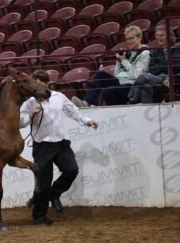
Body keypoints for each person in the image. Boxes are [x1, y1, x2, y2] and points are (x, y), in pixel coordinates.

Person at [20, 70, 99, 224]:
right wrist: (29, 116)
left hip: (61, 143)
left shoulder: (59, 97)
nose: (37, 89)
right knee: (43, 182)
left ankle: (54, 193)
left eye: (39, 85)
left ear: (46, 83)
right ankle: (39, 216)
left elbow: (73, 111)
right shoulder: (30, 102)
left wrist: (86, 120)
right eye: (34, 85)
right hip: (42, 146)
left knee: (71, 170)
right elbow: (18, 121)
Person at [72, 25, 150, 106]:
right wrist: (119, 61)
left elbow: (137, 75)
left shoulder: (145, 54)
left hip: (133, 86)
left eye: (131, 38)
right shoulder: (127, 53)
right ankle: (86, 103)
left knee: (108, 91)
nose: (129, 41)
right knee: (100, 74)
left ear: (139, 38)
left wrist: (124, 61)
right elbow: (116, 74)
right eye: (127, 39)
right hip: (121, 83)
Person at [128, 25, 180, 104]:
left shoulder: (177, 48)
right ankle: (147, 112)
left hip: (171, 79)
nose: (159, 38)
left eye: (162, 35)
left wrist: (160, 66)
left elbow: (175, 65)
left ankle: (132, 100)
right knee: (145, 87)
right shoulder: (155, 52)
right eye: (157, 35)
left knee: (143, 76)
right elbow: (152, 69)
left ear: (169, 36)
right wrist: (165, 65)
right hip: (157, 78)